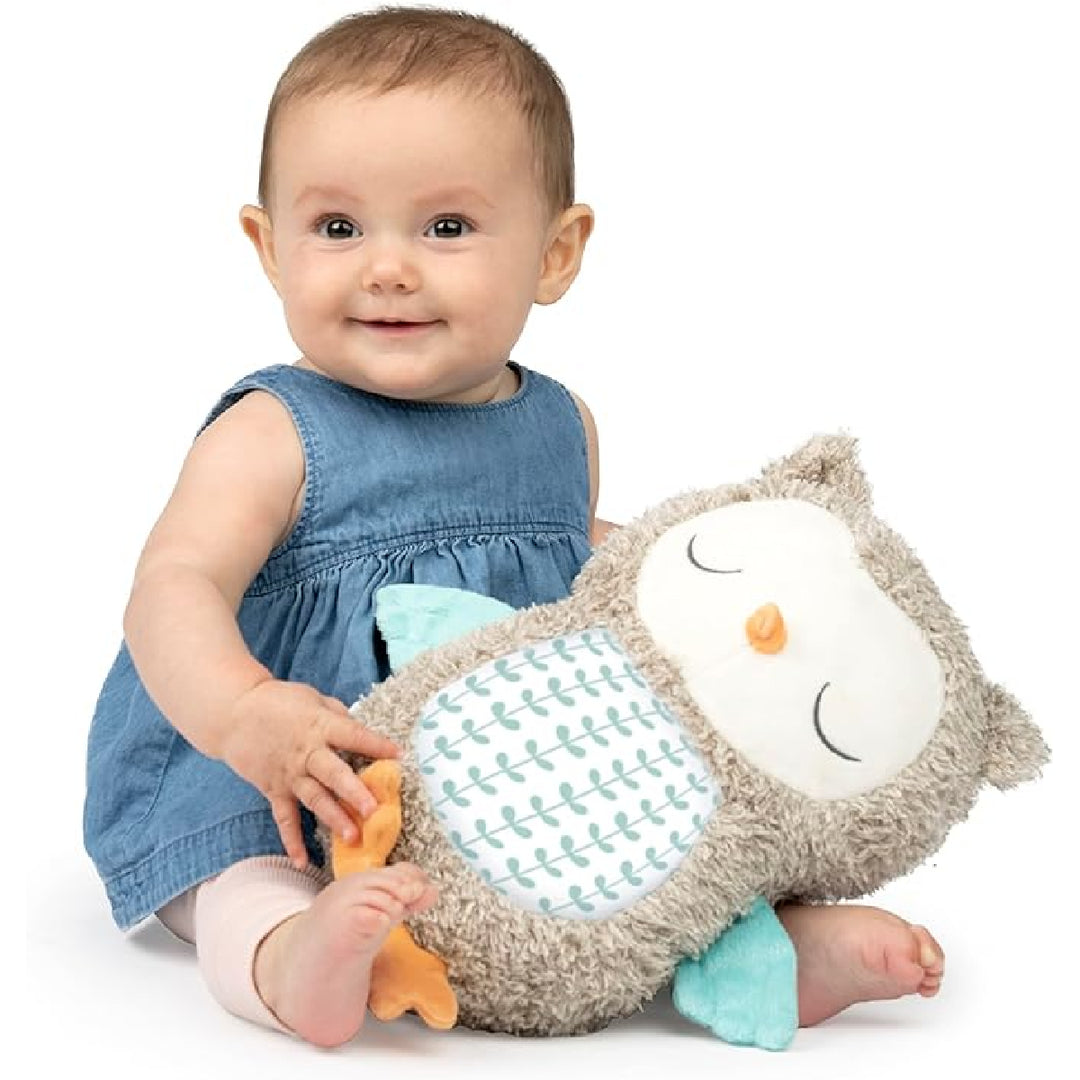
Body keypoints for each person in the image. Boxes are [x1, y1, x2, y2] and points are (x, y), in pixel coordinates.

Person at [83, 6, 943, 1049]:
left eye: (446, 227)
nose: (388, 267)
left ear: (555, 252)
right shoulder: (272, 434)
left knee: (652, 852)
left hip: (500, 797)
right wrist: (245, 713)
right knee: (245, 881)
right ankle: (293, 958)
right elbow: (171, 587)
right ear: (269, 246)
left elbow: (587, 562)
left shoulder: (560, 423)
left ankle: (772, 948)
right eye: (338, 227)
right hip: (286, 782)